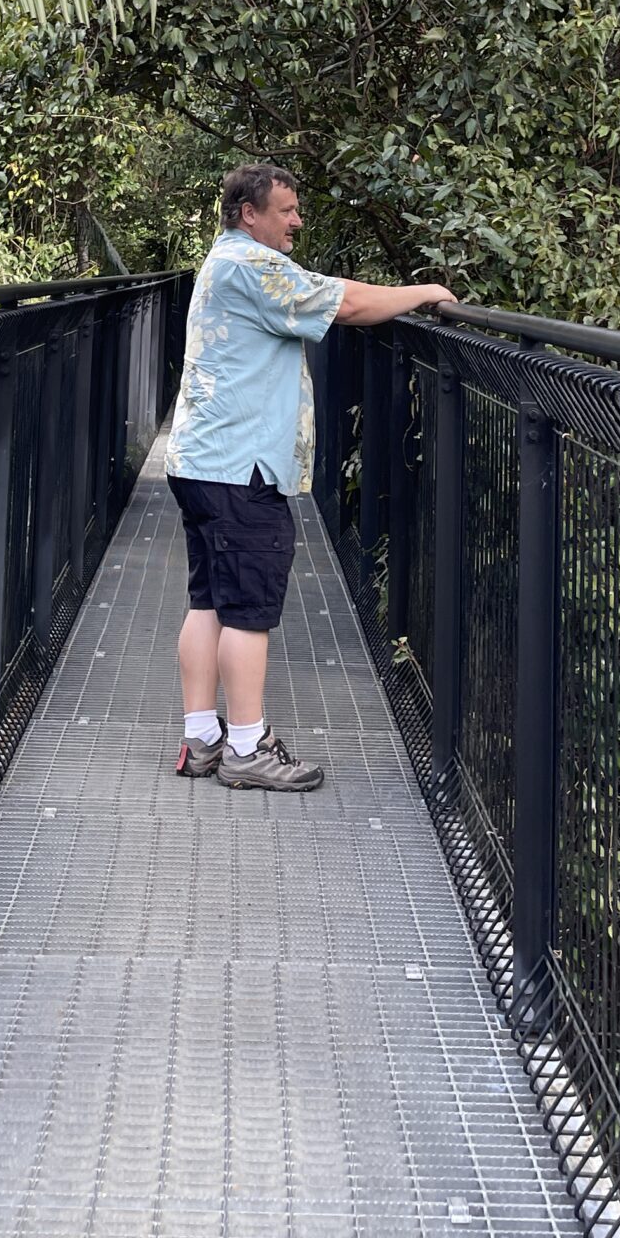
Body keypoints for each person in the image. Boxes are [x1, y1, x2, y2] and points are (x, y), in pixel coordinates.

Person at [164, 160, 456, 792]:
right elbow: (346, 304)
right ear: (251, 213)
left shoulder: (225, 261)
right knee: (248, 609)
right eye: (287, 210)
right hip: (241, 466)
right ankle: (245, 749)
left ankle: (202, 739)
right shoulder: (252, 266)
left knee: (209, 599)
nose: (296, 220)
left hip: (202, 460)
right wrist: (423, 293)